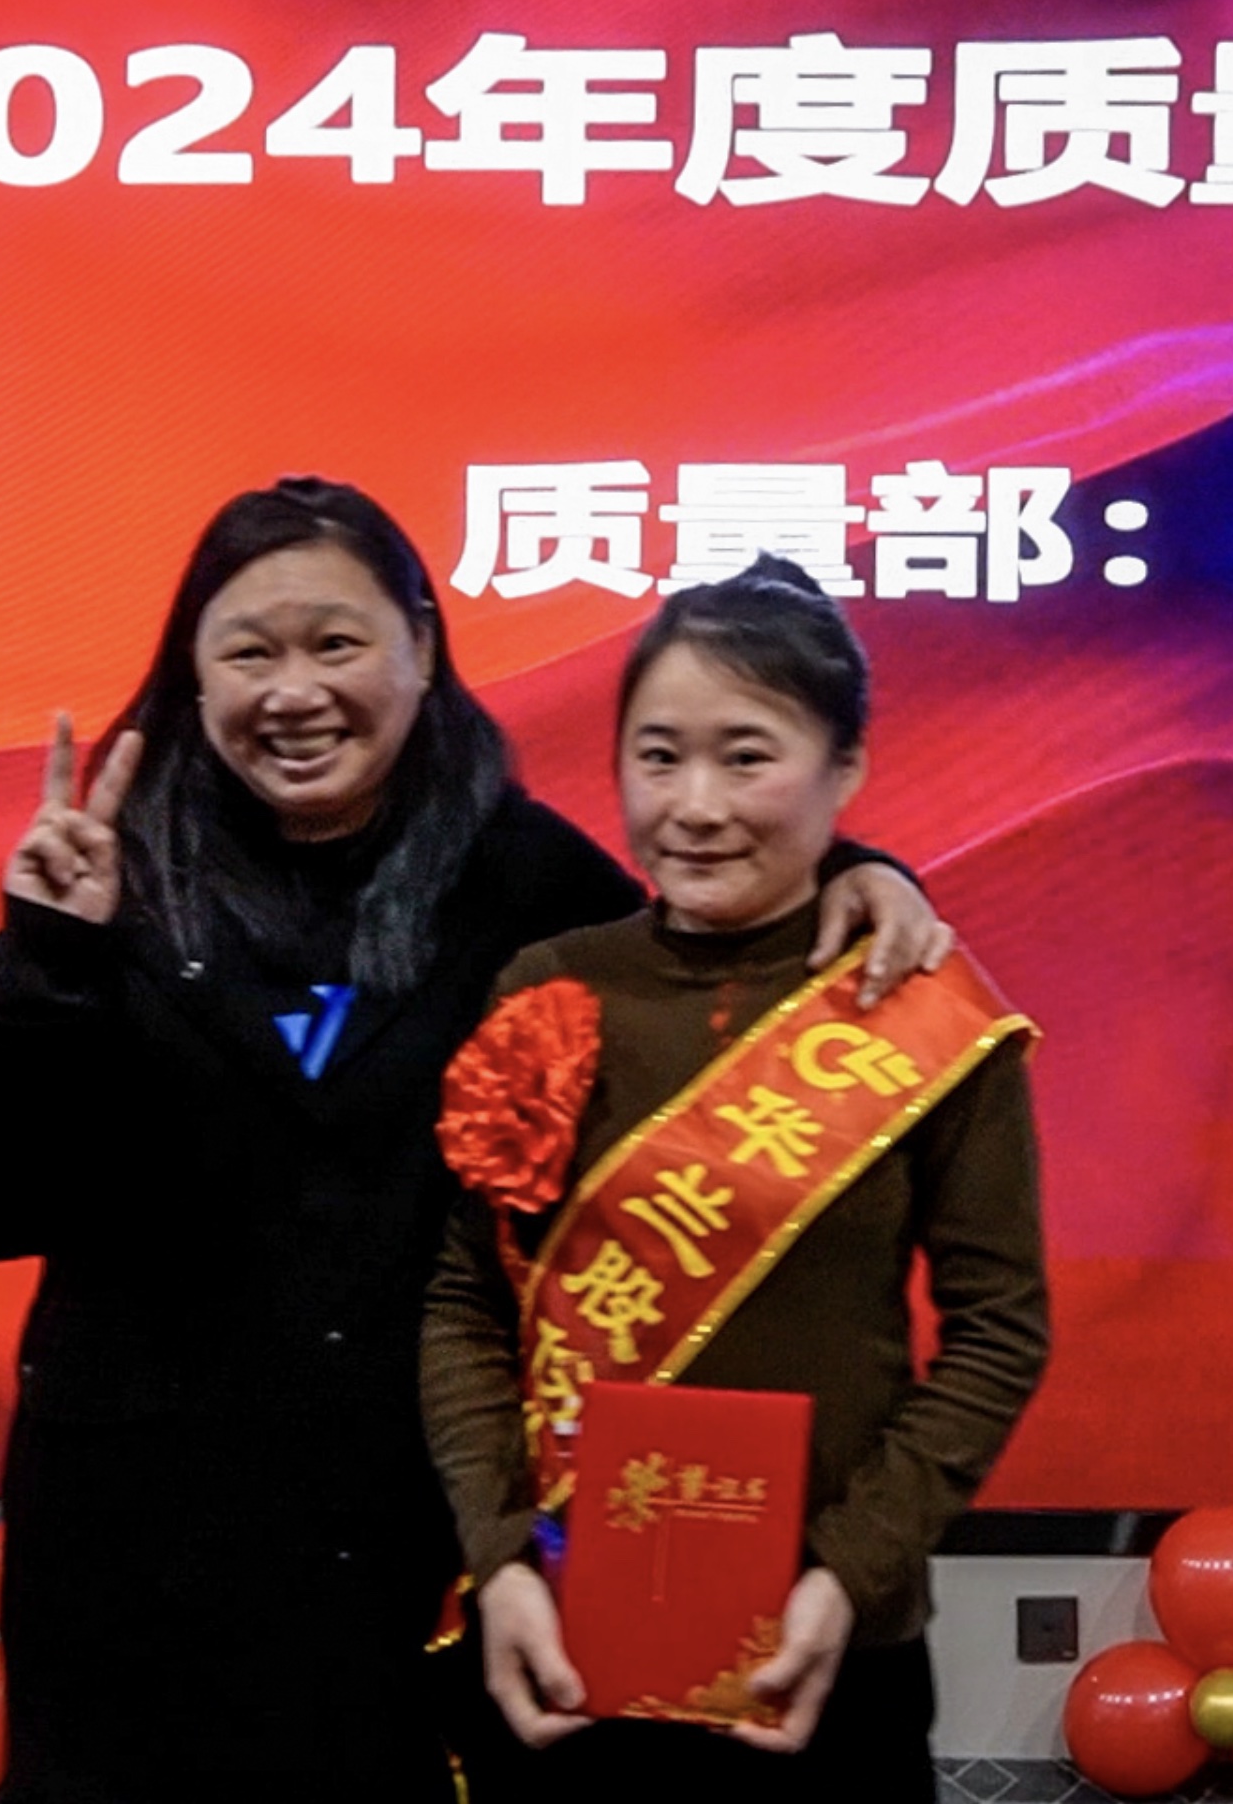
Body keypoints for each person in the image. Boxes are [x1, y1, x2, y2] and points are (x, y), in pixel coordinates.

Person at [0, 480, 953, 1804]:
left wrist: (863, 876)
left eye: (335, 643)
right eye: (249, 651)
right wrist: (45, 964)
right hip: (145, 1537)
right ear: (193, 672)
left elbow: (706, 954)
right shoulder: (112, 869)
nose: (295, 691)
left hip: (424, 1539)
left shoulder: (524, 881)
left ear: (422, 647)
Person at [423, 555, 1051, 1804]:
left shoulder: (920, 1012)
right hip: (561, 1629)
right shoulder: (548, 984)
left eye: (747, 756)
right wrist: (500, 1559)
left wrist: (848, 1574)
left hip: (829, 1647)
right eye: (658, 757)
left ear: (845, 768)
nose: (694, 806)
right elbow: (463, 1305)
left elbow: (999, 1331)